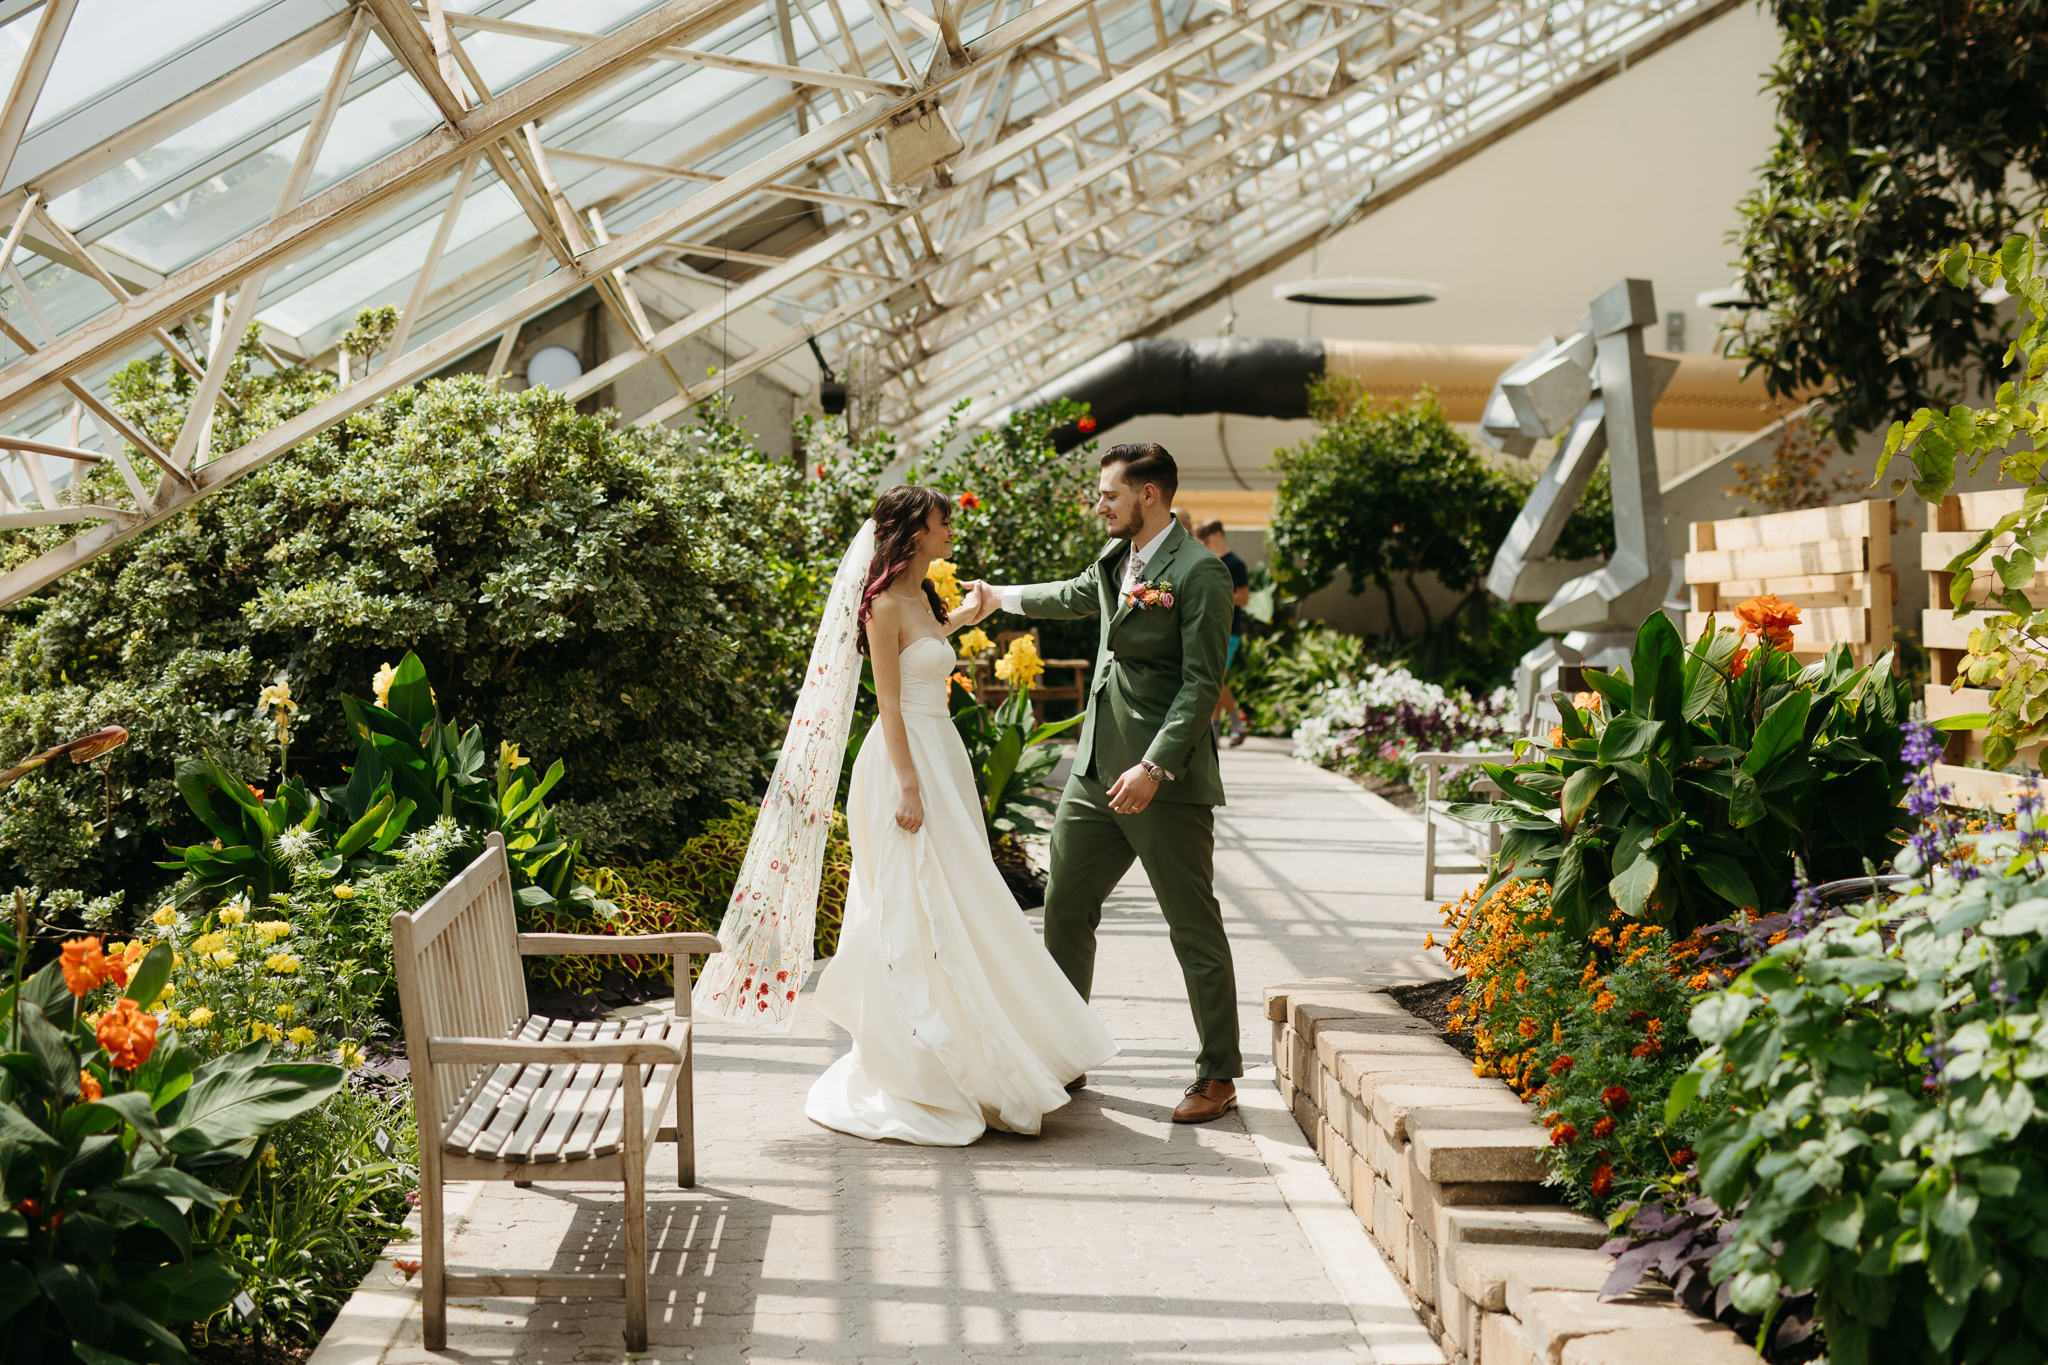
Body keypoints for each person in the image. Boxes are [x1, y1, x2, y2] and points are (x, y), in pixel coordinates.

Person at [792, 487, 1119, 1145]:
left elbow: (926, 651)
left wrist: (963, 619)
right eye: (943, 521)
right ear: (914, 531)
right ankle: (924, 1065)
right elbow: (888, 701)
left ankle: (980, 1053)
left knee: (961, 899)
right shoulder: (882, 604)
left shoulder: (918, 599)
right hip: (904, 761)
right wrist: (908, 787)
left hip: (940, 755)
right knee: (915, 908)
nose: (951, 530)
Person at [966, 444, 1242, 1123]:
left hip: (1162, 781)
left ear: (1148, 495)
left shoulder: (1200, 572)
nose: (1098, 504)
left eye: (1107, 494)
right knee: (1064, 906)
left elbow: (1201, 684)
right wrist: (997, 598)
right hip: (1093, 775)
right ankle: (1065, 1051)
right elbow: (1071, 595)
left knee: (1192, 925)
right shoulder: (1118, 561)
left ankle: (1219, 1074)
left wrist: (1155, 765)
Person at [1195, 519, 1251, 747]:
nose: (1205, 545)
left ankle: (1236, 723)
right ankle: (1215, 734)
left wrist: (1217, 595)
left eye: (1207, 540)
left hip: (1229, 632)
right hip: (1210, 630)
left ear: (1219, 534)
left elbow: (1244, 598)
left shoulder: (1235, 564)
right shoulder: (1209, 561)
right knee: (1213, 681)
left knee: (1213, 679)